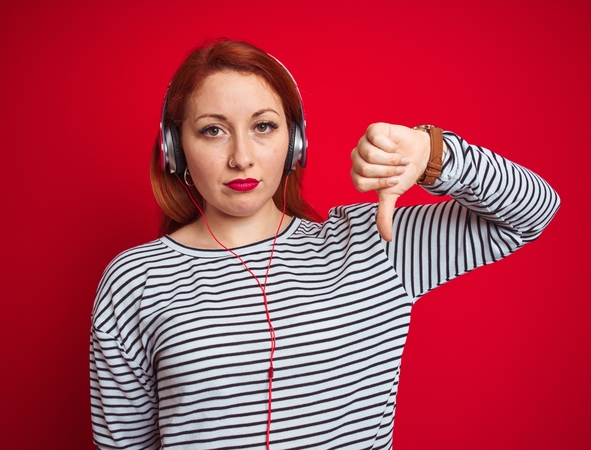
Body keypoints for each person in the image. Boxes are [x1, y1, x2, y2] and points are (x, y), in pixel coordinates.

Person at [89, 39, 560, 450]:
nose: (241, 157)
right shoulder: (136, 280)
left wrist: (433, 155)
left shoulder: (375, 244)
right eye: (213, 130)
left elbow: (534, 211)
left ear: (296, 144)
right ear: (176, 150)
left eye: (264, 126)